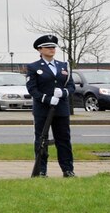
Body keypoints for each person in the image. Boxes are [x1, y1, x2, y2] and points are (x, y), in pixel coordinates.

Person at [25, 34, 77, 177]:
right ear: (40, 49)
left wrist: (64, 92)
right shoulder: (33, 67)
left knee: (64, 139)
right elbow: (32, 89)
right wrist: (47, 99)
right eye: (48, 47)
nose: (51, 49)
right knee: (41, 140)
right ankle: (41, 170)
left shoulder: (63, 66)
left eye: (53, 47)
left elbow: (71, 86)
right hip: (43, 109)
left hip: (61, 108)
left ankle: (67, 169)